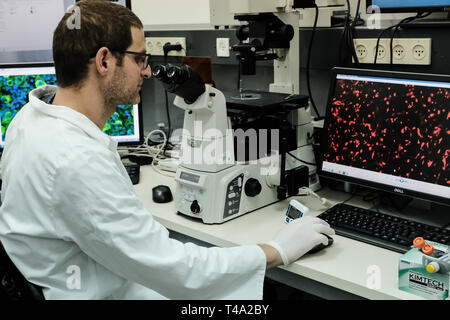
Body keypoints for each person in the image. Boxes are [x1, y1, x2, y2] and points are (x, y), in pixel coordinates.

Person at [0, 0, 334, 299]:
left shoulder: (30, 117)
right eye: (140, 58)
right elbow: (177, 270)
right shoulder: (76, 158)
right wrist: (276, 250)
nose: (146, 70)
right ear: (104, 61)